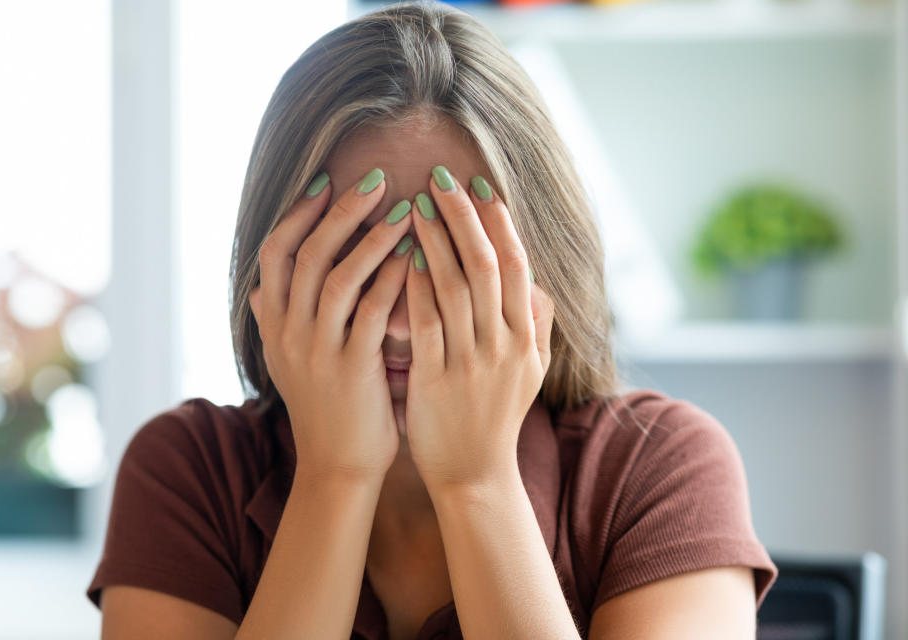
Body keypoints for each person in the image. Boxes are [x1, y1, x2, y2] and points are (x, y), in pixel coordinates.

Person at [86, 2, 778, 638]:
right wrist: (335, 476)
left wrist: (477, 481)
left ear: (542, 269)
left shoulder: (661, 465)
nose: (402, 327)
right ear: (274, 272)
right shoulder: (188, 469)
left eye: (454, 265)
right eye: (357, 261)